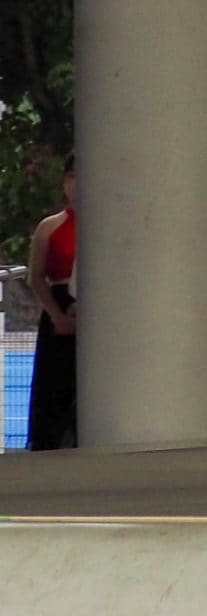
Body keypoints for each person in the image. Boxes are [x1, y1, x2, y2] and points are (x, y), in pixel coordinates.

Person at [26, 156, 76, 451]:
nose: (76, 183)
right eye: (71, 176)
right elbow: (36, 277)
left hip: (96, 303)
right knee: (54, 383)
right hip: (59, 304)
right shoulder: (50, 226)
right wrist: (57, 315)